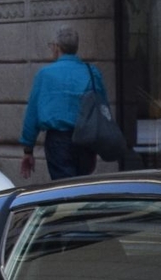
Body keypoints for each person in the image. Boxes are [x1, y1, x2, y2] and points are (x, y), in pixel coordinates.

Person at [18, 28, 110, 180]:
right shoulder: (92, 72)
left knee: (63, 189)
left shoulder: (45, 74)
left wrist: (28, 150)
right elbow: (103, 109)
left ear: (56, 47)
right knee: (82, 186)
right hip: (86, 140)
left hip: (58, 141)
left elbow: (32, 115)